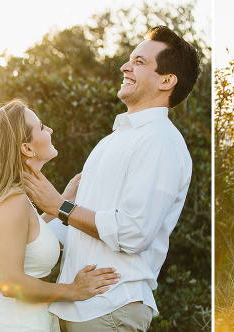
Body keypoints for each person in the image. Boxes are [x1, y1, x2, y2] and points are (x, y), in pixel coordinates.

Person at [22, 26, 201, 331]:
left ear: (167, 81)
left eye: (140, 62)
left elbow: (134, 232)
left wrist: (59, 206)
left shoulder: (161, 142)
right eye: (130, 59)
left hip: (110, 308)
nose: (125, 66)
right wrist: (31, 223)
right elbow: (74, 234)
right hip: (71, 307)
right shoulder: (110, 142)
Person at [0, 100, 121, 331]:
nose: (51, 130)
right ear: (26, 148)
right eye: (42, 127)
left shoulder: (16, 199)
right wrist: (73, 290)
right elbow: (10, 284)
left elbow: (26, 238)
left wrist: (61, 202)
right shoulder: (13, 201)